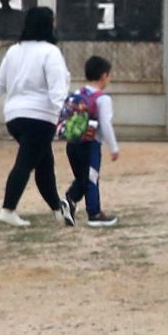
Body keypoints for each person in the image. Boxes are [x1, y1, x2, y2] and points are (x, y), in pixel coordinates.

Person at [0, 6, 73, 228]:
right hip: (40, 117)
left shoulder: (15, 51)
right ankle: (8, 209)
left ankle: (58, 209)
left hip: (15, 117)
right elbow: (57, 88)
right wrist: (65, 114)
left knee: (44, 163)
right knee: (26, 163)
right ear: (48, 24)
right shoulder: (50, 52)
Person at [62, 55, 121, 227]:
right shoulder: (103, 99)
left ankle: (69, 201)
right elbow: (105, 125)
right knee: (91, 178)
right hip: (90, 144)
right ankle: (94, 213)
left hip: (72, 144)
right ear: (104, 76)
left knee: (82, 178)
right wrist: (113, 147)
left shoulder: (78, 94)